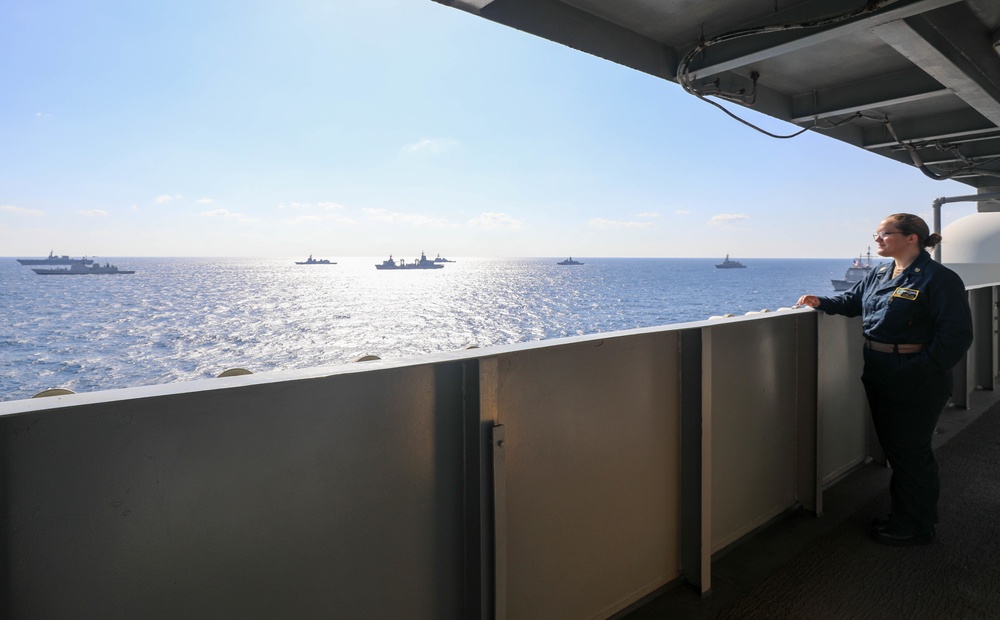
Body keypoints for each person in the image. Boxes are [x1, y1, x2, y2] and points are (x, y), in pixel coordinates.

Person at [796, 213, 973, 547]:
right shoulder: (880, 273)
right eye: (876, 234)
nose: (877, 239)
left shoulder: (938, 278)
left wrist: (918, 368)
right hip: (879, 369)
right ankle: (907, 516)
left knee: (911, 451)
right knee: (898, 448)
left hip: (916, 376)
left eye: (884, 233)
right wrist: (821, 302)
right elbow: (853, 302)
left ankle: (916, 526)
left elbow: (956, 335)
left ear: (912, 238)